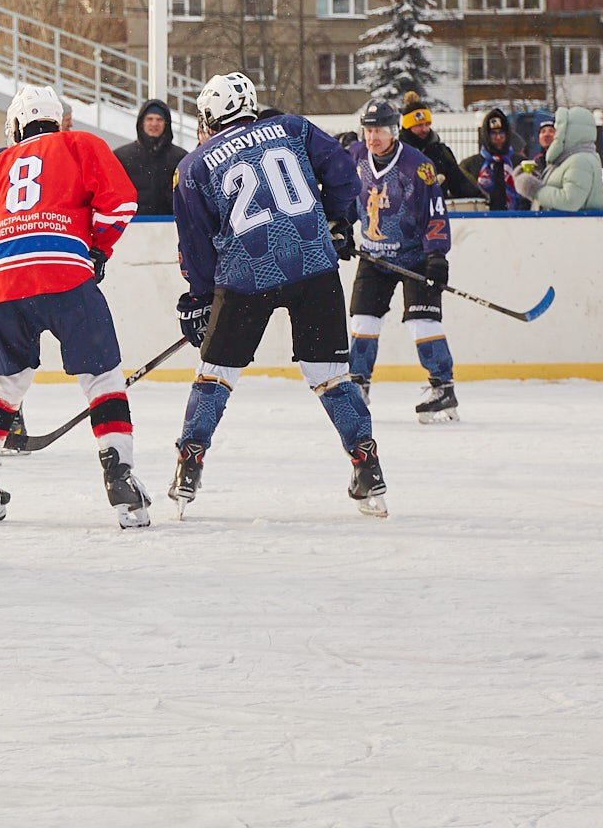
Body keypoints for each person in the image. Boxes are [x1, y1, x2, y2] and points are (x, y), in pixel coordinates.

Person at [169, 72, 385, 517]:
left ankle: (188, 467)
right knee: (329, 373)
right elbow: (344, 170)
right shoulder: (291, 127)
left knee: (215, 374)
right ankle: (368, 465)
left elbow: (195, 242)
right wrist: (339, 223)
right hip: (312, 262)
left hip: (247, 270)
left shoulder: (193, 166)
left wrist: (200, 297)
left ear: (210, 115)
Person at [0, 83, 144, 527]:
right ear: (56, 120)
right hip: (62, 272)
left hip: (0, 283)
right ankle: (120, 478)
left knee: (5, 383)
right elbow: (121, 203)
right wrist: (96, 250)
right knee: (102, 377)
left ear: (16, 125)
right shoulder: (80, 144)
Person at [348, 98, 460, 424]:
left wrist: (437, 255)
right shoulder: (356, 157)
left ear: (395, 131)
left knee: (422, 321)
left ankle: (443, 387)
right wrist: (340, 228)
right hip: (373, 255)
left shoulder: (417, 165)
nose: (373, 137)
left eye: (379, 130)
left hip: (415, 257)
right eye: (368, 130)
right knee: (363, 320)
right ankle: (358, 384)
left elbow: (434, 212)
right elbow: (343, 197)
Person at [515, 106, 603, 212]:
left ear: (571, 132)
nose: (556, 135)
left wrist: (535, 190)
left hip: (572, 227)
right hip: (564, 226)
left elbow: (570, 201)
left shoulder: (579, 161)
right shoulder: (567, 159)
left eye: (557, 129)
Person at [114, 98, 184, 218]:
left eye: (159, 119)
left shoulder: (181, 158)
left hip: (171, 227)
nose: (154, 124)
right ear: (142, 122)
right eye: (149, 119)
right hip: (133, 227)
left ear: (166, 123)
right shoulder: (122, 157)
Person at [399, 93, 476, 200]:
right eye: (419, 125)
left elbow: (459, 183)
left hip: (435, 213)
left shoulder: (441, 152)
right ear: (407, 127)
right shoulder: (396, 152)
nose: (425, 129)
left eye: (427, 124)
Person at [464, 108, 529, 212]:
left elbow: (527, 199)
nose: (498, 137)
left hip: (517, 222)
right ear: (486, 136)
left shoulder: (520, 163)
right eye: (493, 133)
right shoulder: (470, 165)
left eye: (502, 133)